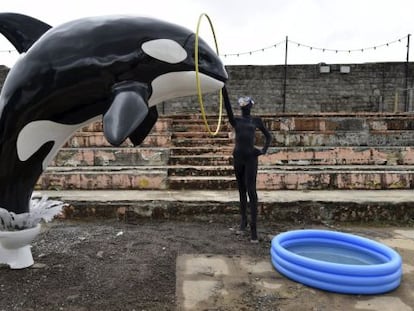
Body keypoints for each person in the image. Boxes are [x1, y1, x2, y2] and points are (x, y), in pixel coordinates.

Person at [222, 87, 272, 243]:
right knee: (241, 191)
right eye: (241, 103)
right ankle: (243, 223)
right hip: (238, 157)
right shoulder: (235, 120)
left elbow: (268, 136)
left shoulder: (256, 121)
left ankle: (254, 230)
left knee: (251, 191)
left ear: (250, 105)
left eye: (245, 103)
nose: (243, 105)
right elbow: (228, 108)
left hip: (251, 158)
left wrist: (262, 150)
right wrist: (223, 89)